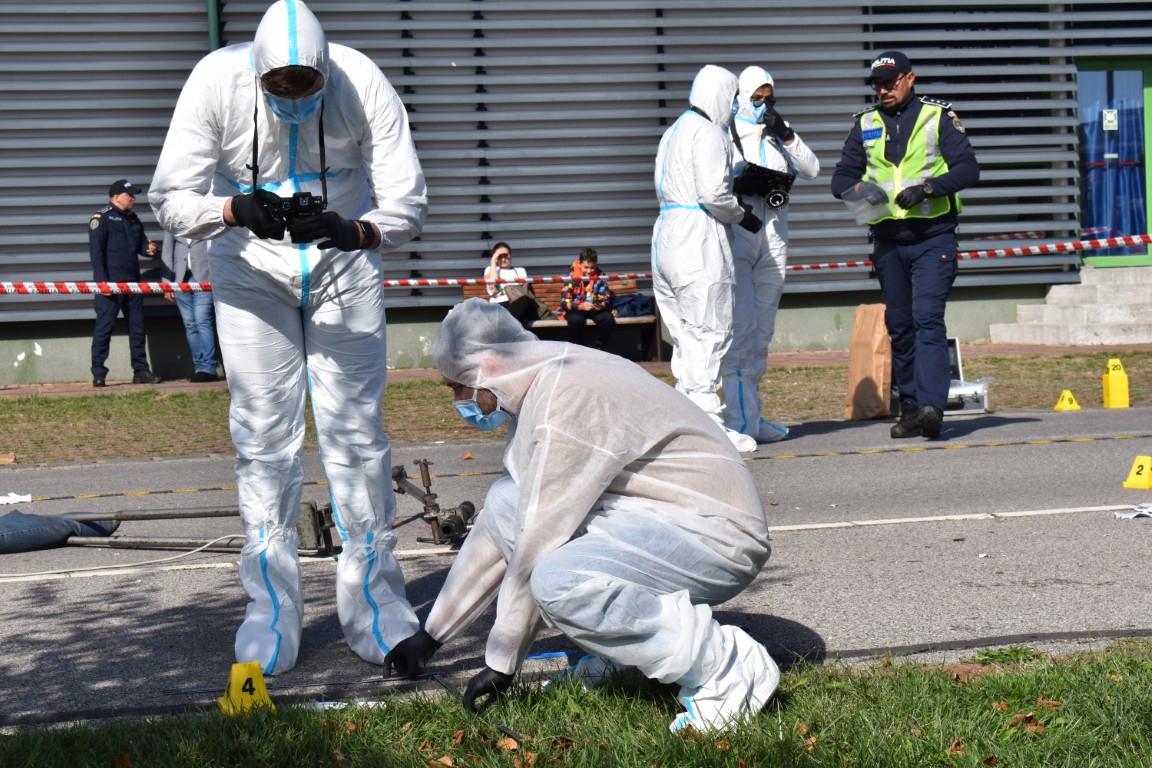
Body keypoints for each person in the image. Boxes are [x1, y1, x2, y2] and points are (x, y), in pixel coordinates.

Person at [148, 0, 425, 675]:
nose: (295, 97)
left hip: (343, 266)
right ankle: (270, 610)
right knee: (263, 438)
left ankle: (377, 607)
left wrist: (359, 230)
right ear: (258, 73)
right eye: (280, 84)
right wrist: (230, 208)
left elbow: (408, 198)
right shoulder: (215, 80)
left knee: (357, 434)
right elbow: (170, 196)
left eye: (308, 83)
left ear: (327, 70)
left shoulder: (361, 80)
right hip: (248, 269)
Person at [384, 298, 779, 735]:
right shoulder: (546, 379)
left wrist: (502, 659)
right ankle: (626, 656)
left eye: (457, 387)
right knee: (505, 501)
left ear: (488, 366)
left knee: (559, 582)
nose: (458, 402)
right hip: (665, 514)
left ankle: (726, 667)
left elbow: (538, 538)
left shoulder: (565, 400)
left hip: (717, 534)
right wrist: (432, 637)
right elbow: (507, 523)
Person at [831, 51, 979, 440]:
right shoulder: (864, 123)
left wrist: (928, 188)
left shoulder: (937, 116)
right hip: (888, 241)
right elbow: (840, 177)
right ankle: (911, 409)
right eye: (877, 85)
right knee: (900, 326)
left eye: (890, 82)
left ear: (910, 79)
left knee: (927, 318)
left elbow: (968, 168)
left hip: (933, 237)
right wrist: (859, 189)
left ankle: (932, 407)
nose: (883, 90)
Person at [650, 65, 762, 454]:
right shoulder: (710, 132)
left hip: (666, 235)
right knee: (710, 328)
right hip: (698, 238)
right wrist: (742, 214)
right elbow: (714, 194)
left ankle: (685, 419)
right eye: (732, 98)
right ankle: (709, 425)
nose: (733, 107)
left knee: (685, 333)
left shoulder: (674, 131)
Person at [723, 67, 821, 444]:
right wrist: (740, 181)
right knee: (741, 330)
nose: (763, 104)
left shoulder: (779, 132)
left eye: (769, 97)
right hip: (740, 236)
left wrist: (786, 134)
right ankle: (736, 420)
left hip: (774, 239)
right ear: (741, 96)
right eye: (756, 98)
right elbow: (712, 180)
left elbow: (811, 168)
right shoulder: (728, 130)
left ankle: (752, 414)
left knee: (762, 333)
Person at [89, 179, 162, 388]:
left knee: (137, 329)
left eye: (134, 195)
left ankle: (141, 371)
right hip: (110, 285)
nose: (133, 198)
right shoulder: (101, 218)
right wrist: (102, 283)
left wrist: (150, 250)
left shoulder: (133, 219)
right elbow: (96, 253)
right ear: (116, 197)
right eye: (129, 195)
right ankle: (98, 372)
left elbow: (142, 246)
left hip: (133, 285)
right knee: (104, 329)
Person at [160, 233, 219, 382]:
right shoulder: (173, 223)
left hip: (204, 278)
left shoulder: (204, 221)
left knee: (202, 320)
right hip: (180, 279)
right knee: (190, 324)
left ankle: (209, 368)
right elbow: (166, 252)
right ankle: (199, 367)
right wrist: (166, 283)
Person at [558, 247, 615, 350]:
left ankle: (600, 349)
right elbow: (564, 301)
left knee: (607, 318)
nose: (589, 271)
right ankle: (579, 349)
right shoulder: (571, 276)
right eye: (586, 267)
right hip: (576, 308)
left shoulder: (601, 275)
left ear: (596, 265)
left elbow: (605, 296)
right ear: (579, 264)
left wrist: (599, 305)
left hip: (594, 308)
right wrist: (580, 306)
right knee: (575, 320)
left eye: (592, 268)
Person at [484, 242, 538, 330]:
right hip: (498, 304)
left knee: (524, 299)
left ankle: (508, 328)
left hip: (517, 303)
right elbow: (493, 286)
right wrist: (493, 259)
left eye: (506, 255)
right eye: (499, 256)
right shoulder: (490, 270)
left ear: (510, 255)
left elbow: (523, 290)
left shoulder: (520, 271)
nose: (503, 259)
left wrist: (501, 290)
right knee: (523, 319)